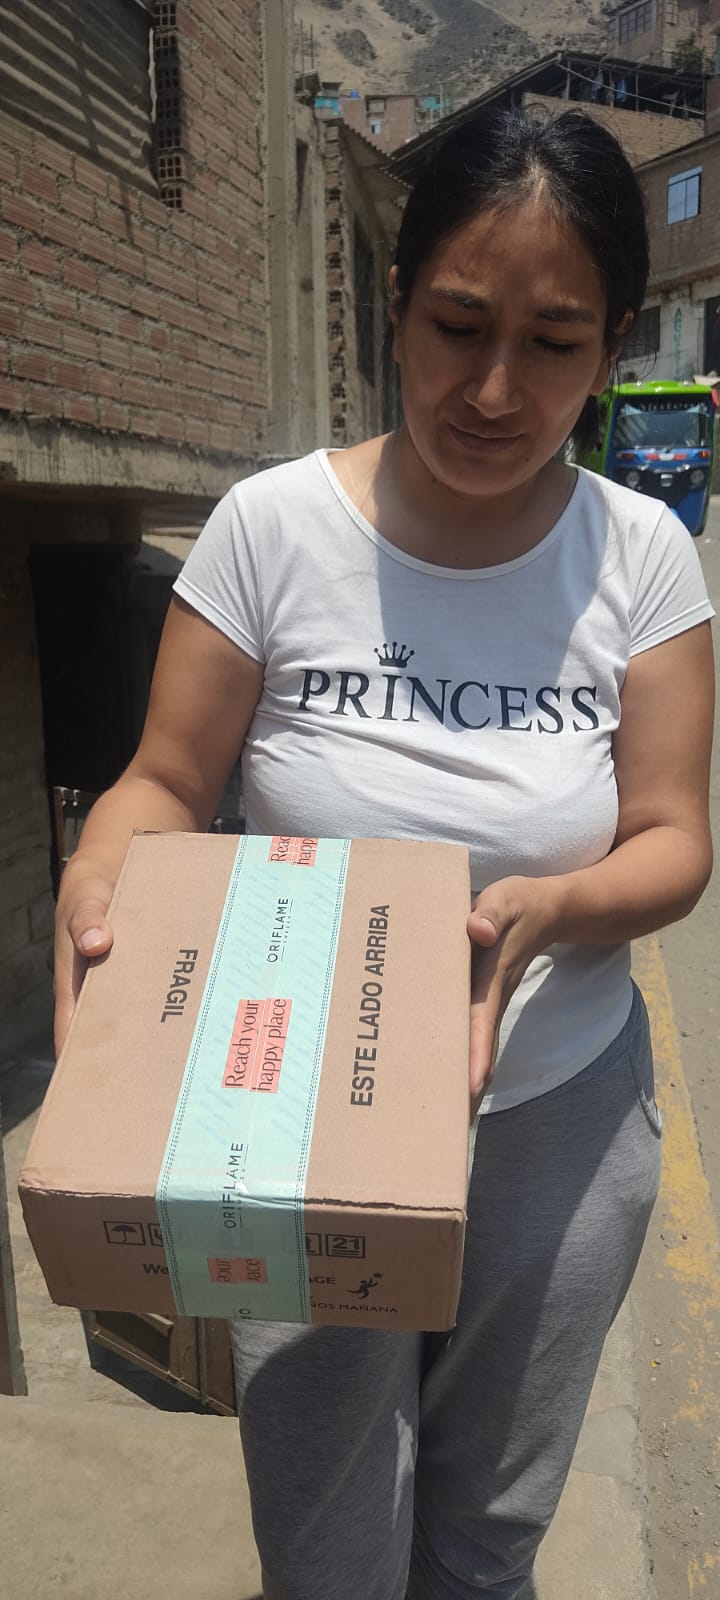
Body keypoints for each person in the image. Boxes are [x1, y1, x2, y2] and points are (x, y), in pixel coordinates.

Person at [55, 107, 714, 1600]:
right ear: (398, 305)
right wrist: (102, 879)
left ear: (612, 348)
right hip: (297, 1127)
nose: (494, 389)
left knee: (484, 1547)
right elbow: (166, 779)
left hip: (553, 1118)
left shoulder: (642, 558)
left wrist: (549, 908)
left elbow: (676, 837)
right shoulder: (269, 530)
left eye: (553, 343)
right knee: (327, 1541)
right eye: (457, 326)